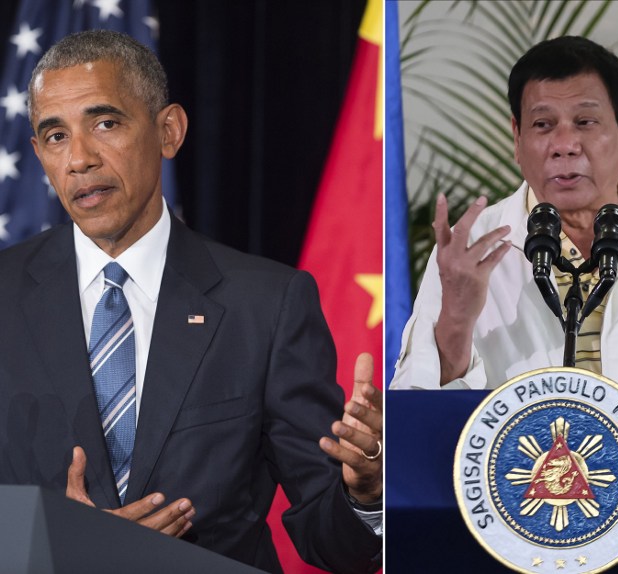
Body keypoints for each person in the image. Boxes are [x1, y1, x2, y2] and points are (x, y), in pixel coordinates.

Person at [0, 30, 382, 573]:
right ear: (39, 154)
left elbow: (333, 541)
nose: (79, 159)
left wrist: (366, 494)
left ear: (169, 131)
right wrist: (60, 542)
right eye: (56, 136)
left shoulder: (266, 306)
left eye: (105, 123)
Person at [391, 36, 618, 392]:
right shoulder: (468, 251)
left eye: (585, 122)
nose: (565, 145)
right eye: (543, 125)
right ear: (517, 139)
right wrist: (457, 319)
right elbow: (419, 404)